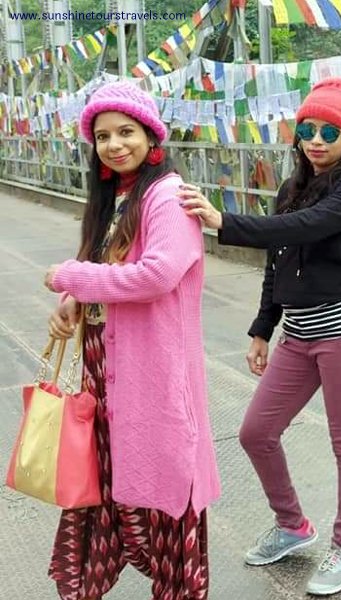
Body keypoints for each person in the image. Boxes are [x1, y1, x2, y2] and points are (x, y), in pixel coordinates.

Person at [180, 77, 341, 596]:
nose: (316, 140)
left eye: (329, 132)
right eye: (307, 130)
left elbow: (302, 228)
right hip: (298, 332)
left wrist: (224, 220)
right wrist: (262, 329)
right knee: (256, 432)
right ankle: (292, 524)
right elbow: (279, 261)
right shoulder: (290, 189)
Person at [43, 80, 220, 600]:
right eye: (103, 136)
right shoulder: (114, 198)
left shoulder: (167, 196)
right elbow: (107, 268)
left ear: (151, 136)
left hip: (152, 372)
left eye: (126, 132)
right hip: (103, 367)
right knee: (103, 482)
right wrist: (75, 301)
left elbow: (156, 274)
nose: (115, 144)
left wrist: (69, 275)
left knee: (164, 490)